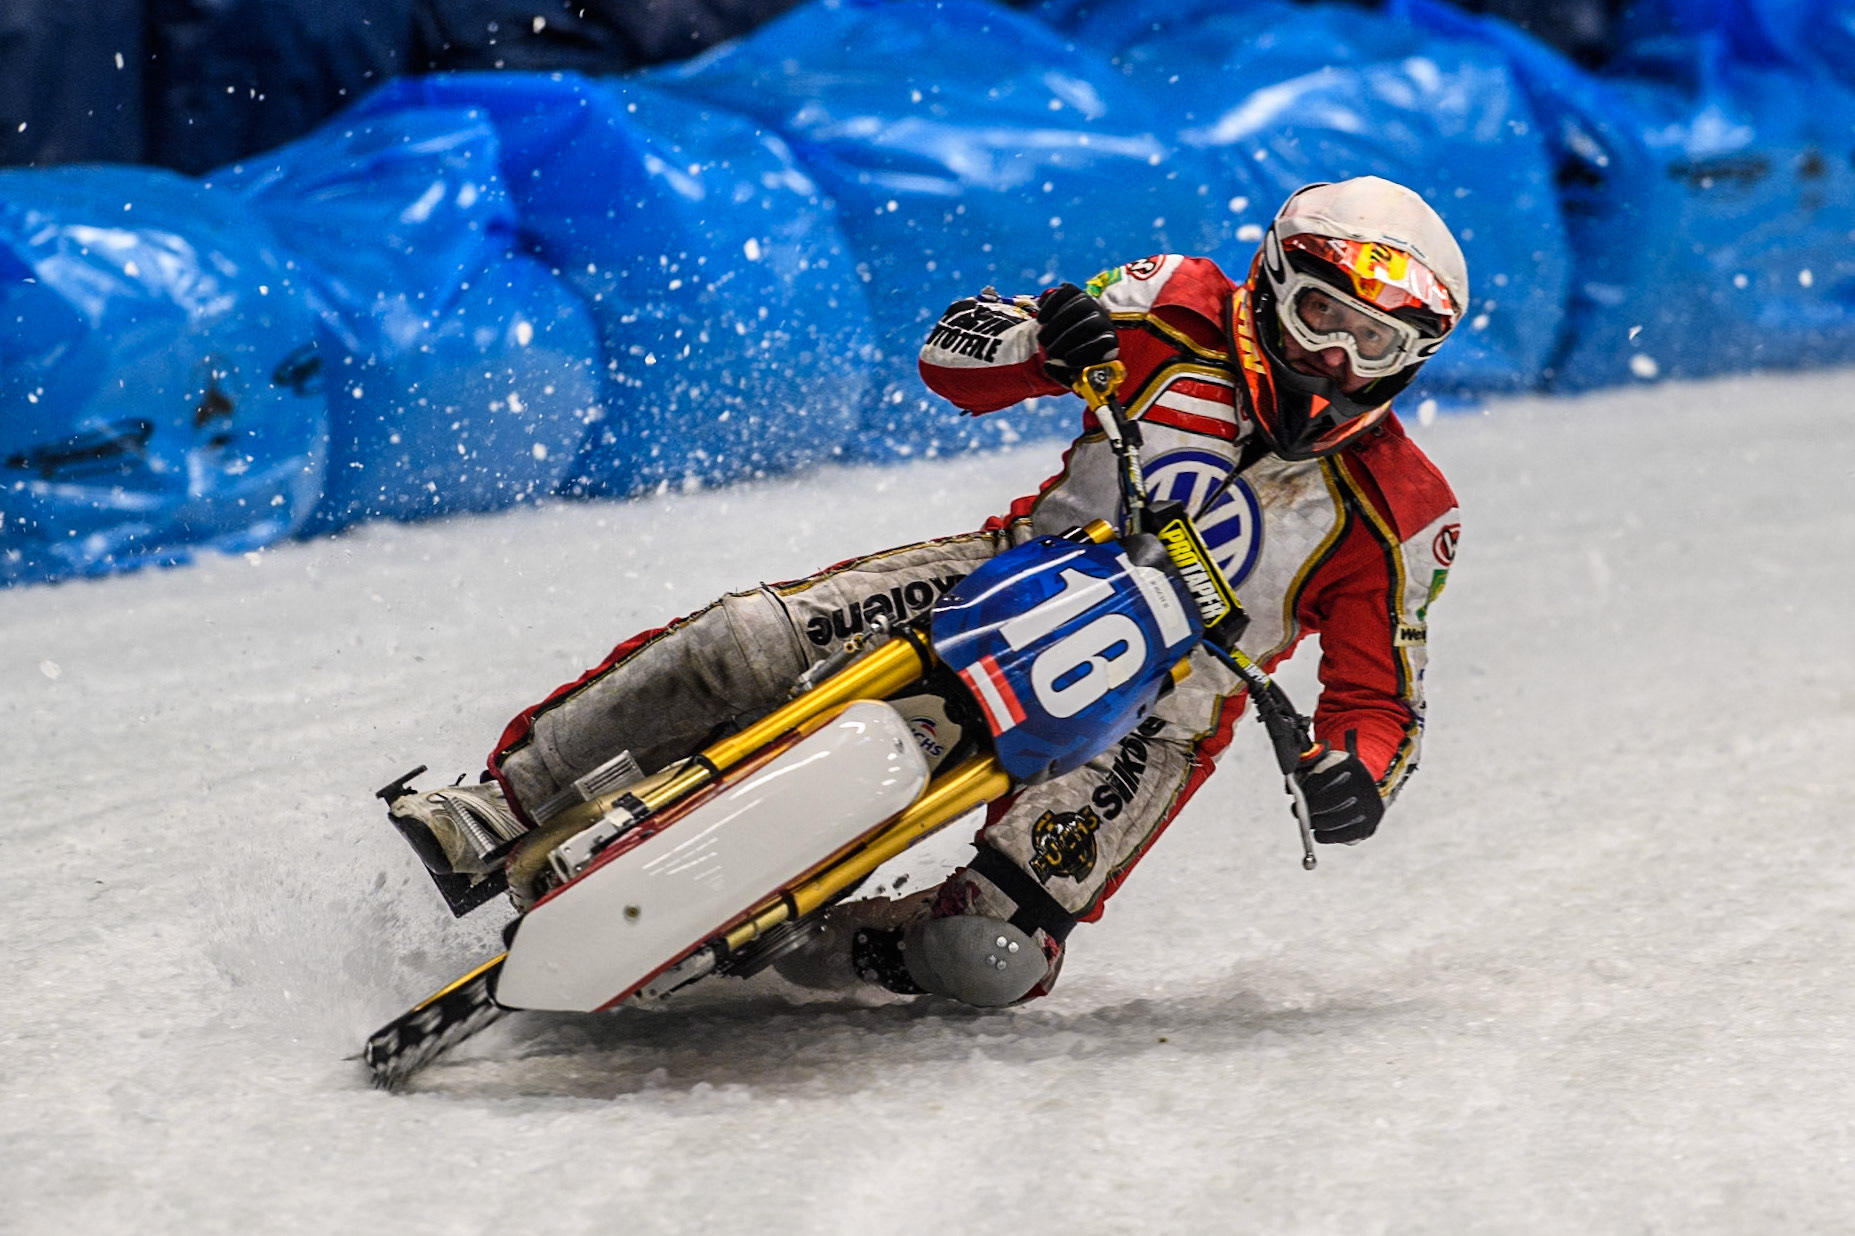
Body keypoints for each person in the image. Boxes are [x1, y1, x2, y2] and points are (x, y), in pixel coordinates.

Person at [390, 175, 1466, 1010]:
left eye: (1375, 342)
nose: (1336, 358)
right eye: (1323, 314)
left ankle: (808, 948)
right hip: (1010, 571)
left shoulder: (1401, 512)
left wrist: (1356, 776)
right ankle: (507, 803)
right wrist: (1046, 340)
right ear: (1273, 284)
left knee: (991, 955)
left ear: (1412, 360)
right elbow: (951, 362)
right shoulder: (1170, 303)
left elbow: (1381, 701)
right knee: (744, 644)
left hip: (1161, 716)